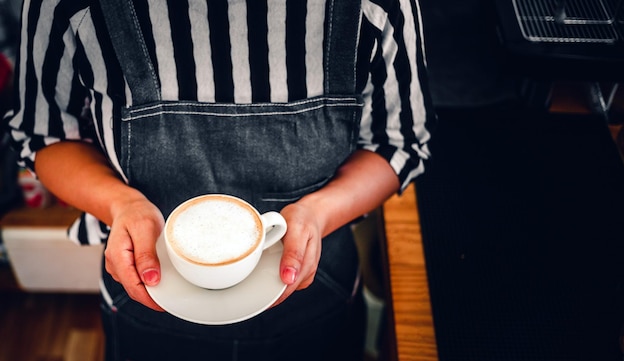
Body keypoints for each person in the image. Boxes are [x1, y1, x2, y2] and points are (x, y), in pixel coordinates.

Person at [3, 0, 435, 360]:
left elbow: (398, 143)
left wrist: (319, 214)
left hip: (317, 296)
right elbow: (44, 134)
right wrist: (121, 204)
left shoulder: (375, 6)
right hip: (146, 303)